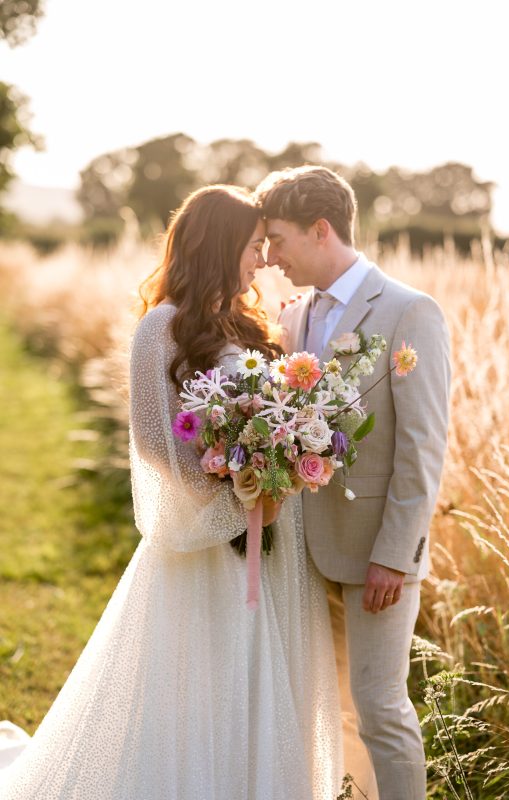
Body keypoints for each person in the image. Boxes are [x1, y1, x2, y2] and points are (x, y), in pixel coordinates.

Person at [0, 185, 343, 799]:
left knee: (263, 673)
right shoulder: (161, 328)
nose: (261, 259)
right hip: (207, 535)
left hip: (273, 530)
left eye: (265, 245)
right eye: (252, 245)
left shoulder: (251, 323)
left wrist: (280, 468)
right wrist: (232, 491)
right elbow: (157, 442)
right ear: (219, 245)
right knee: (200, 682)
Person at [255, 165, 451, 800]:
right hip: (301, 552)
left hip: (376, 556)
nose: (270, 256)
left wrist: (395, 557)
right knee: (319, 703)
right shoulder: (295, 315)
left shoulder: (408, 311)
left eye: (278, 240)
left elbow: (422, 447)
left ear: (320, 230)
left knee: (380, 707)